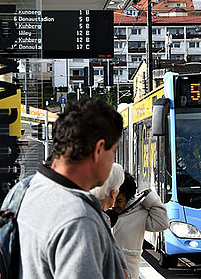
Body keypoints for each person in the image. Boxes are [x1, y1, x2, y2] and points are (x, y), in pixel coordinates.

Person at [18, 98, 129, 278]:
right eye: (113, 152)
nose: (113, 161)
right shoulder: (79, 218)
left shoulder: (35, 188)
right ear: (99, 149)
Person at [113, 172, 169, 279]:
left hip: (128, 273)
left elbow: (162, 223)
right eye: (113, 198)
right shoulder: (104, 211)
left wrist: (152, 199)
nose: (114, 205)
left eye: (119, 200)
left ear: (128, 198)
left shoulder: (139, 212)